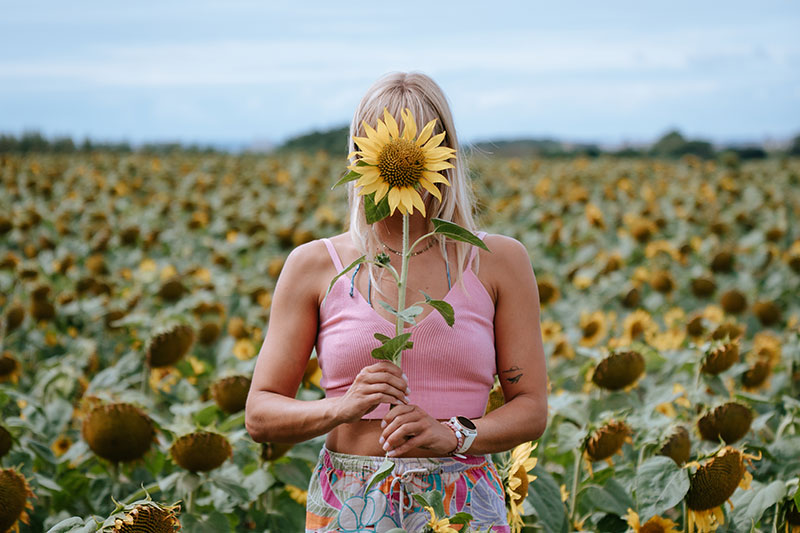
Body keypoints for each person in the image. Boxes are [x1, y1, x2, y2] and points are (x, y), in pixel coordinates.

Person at [245, 71, 548, 532]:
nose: (407, 164)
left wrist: (453, 435)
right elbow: (260, 414)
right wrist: (342, 408)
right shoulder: (315, 266)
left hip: (462, 496)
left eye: (420, 152)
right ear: (361, 158)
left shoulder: (497, 261)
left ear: (443, 159)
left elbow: (530, 407)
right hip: (350, 497)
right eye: (387, 153)